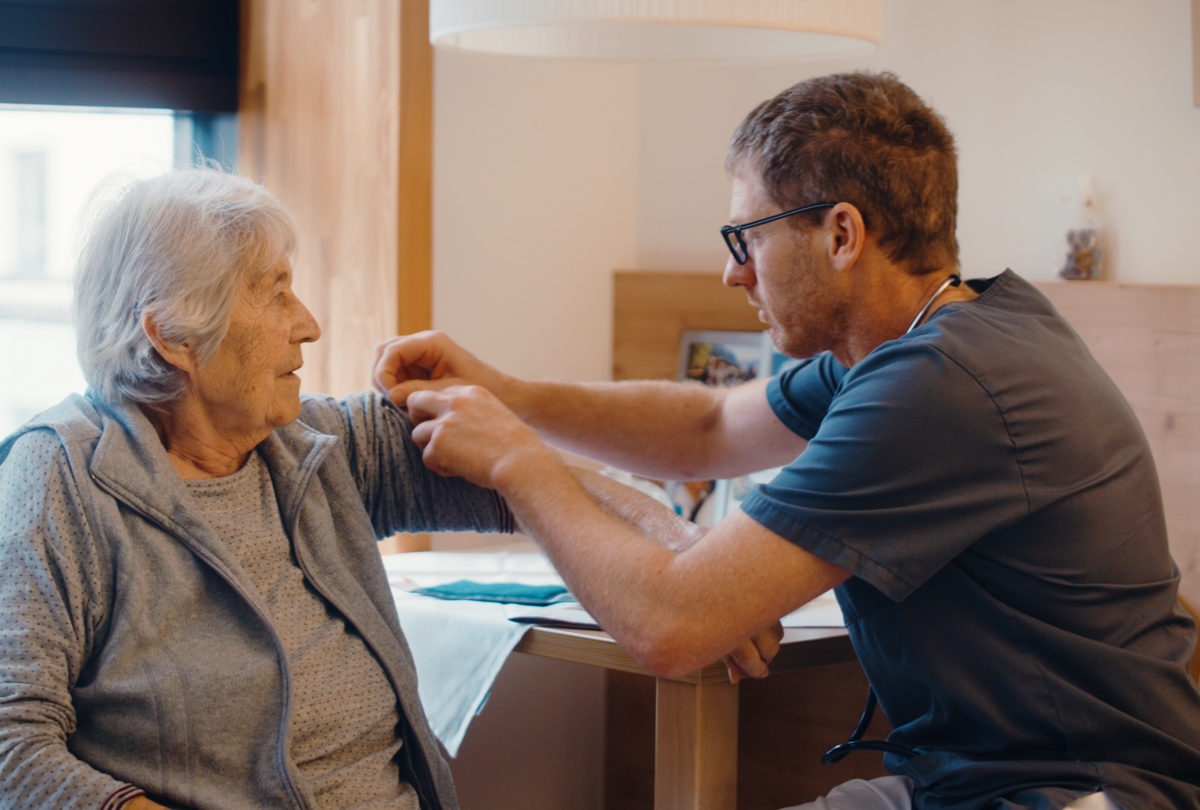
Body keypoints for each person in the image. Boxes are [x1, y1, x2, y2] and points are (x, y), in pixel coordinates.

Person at [373, 72, 1200, 810]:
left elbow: (669, 624)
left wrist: (515, 457)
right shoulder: (929, 338)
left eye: (748, 238)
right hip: (967, 779)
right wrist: (507, 392)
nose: (734, 272)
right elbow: (706, 427)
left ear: (842, 235)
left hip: (1081, 794)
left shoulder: (938, 386)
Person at [0, 169, 735, 810]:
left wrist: (692, 556)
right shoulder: (60, 481)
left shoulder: (317, 445)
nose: (309, 326)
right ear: (174, 338)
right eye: (275, 293)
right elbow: (11, 749)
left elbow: (533, 478)